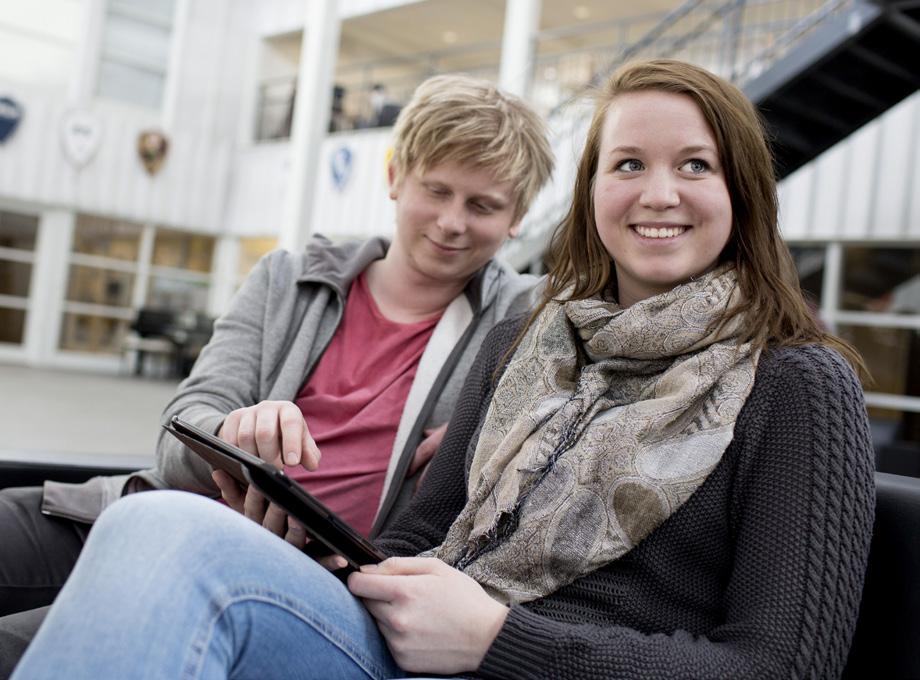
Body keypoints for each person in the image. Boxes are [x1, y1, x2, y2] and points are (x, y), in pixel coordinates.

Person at [11, 59, 875, 679]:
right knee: (149, 528)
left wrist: (500, 640)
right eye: (627, 164)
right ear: (594, 195)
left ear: (744, 193)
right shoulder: (528, 347)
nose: (657, 192)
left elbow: (783, 663)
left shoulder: (797, 384)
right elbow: (414, 542)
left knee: (172, 542)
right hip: (401, 643)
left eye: (695, 164)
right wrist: (349, 560)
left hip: (501, 662)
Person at [0, 73, 554, 675]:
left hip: (305, 578)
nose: (451, 222)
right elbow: (179, 434)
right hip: (161, 507)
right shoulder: (286, 280)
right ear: (395, 177)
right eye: (437, 190)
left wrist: (487, 438)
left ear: (518, 216)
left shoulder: (530, 320)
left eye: (482, 206)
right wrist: (237, 433)